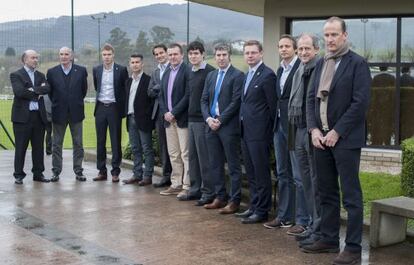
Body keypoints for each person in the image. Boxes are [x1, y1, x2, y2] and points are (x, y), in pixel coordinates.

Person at [302, 17, 371, 265]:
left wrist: (337, 131)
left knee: (351, 195)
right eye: (326, 35)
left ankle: (352, 248)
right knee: (326, 191)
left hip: (345, 140)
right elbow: (311, 100)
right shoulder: (322, 63)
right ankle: (329, 239)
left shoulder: (358, 64)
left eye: (334, 35)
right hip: (321, 140)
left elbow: (360, 103)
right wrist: (313, 130)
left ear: (344, 35)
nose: (329, 39)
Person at [201, 43, 244, 211]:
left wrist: (220, 120)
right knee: (215, 164)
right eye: (218, 55)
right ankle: (220, 197)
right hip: (211, 126)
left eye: (224, 55)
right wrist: (208, 119)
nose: (220, 58)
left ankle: (234, 201)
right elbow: (204, 100)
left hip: (228, 127)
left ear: (229, 56)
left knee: (233, 165)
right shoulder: (211, 76)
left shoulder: (237, 75)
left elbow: (236, 102)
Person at [238, 40, 277, 224]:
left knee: (261, 173)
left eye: (253, 52)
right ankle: (253, 206)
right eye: (247, 53)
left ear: (261, 53)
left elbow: (272, 107)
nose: (250, 56)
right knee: (251, 173)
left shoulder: (268, 75)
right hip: (245, 132)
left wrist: (267, 133)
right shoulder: (247, 75)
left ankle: (262, 210)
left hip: (260, 134)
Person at [264, 34, 301, 229]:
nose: (283, 49)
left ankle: (299, 218)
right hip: (278, 125)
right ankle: (284, 216)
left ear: (294, 49)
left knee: (297, 174)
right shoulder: (280, 69)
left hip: (294, 126)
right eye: (280, 46)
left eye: (287, 46)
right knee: (282, 172)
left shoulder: (299, 68)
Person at [287, 34, 321, 241]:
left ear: (316, 49)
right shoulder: (300, 70)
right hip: (298, 130)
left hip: (312, 131)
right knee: (306, 182)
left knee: (316, 183)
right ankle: (311, 223)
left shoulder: (319, 69)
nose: (303, 53)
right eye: (300, 49)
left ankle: (319, 227)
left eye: (307, 49)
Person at [47, 47, 88, 182]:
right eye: (61, 54)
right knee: (56, 144)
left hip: (76, 113)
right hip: (59, 114)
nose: (64, 56)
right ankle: (56, 172)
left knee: (78, 144)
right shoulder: (52, 72)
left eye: (66, 54)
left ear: (71, 56)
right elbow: (51, 93)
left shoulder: (81, 71)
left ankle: (79, 171)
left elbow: (83, 91)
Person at [10, 50, 51, 184]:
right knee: (21, 147)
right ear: (25, 60)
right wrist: (37, 92)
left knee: (38, 147)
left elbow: (47, 88)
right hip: (22, 119)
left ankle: (38, 174)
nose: (36, 60)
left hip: (38, 117)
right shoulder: (16, 75)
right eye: (33, 58)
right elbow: (19, 92)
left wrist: (33, 89)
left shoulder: (40, 75)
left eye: (37, 58)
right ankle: (18, 175)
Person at [182, 41, 215, 202]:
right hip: (191, 120)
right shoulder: (190, 71)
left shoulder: (210, 72)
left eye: (196, 53)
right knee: (193, 157)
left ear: (203, 54)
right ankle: (195, 189)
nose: (193, 56)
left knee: (204, 158)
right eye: (191, 54)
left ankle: (208, 192)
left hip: (203, 121)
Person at [92, 43, 129, 182]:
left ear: (113, 55)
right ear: (102, 56)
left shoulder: (121, 70)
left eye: (109, 54)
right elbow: (97, 87)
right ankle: (102, 171)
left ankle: (115, 172)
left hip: (114, 108)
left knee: (115, 140)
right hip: (100, 107)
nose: (106, 57)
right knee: (100, 141)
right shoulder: (96, 69)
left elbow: (124, 89)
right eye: (104, 55)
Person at [158, 43, 190, 197]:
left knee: (185, 154)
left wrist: (174, 112)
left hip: (182, 119)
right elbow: (161, 96)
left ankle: (187, 185)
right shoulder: (166, 72)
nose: (172, 57)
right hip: (168, 120)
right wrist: (165, 112)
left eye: (175, 54)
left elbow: (188, 95)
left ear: (182, 55)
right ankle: (176, 183)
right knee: (173, 154)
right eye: (170, 55)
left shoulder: (187, 71)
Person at [122, 54, 155, 186]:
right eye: (132, 62)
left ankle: (147, 176)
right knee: (135, 148)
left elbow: (152, 101)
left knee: (146, 148)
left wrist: (147, 115)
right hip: (130, 118)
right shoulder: (128, 81)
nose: (135, 64)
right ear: (130, 64)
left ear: (142, 64)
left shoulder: (148, 80)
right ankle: (137, 174)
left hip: (143, 120)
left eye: (137, 62)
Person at [148, 44, 172, 188]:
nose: (159, 56)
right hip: (158, 114)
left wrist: (159, 87)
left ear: (167, 53)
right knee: (163, 146)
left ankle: (179, 177)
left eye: (161, 53)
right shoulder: (155, 72)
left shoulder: (173, 68)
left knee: (177, 148)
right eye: (156, 54)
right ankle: (166, 175)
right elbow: (150, 92)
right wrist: (160, 87)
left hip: (172, 113)